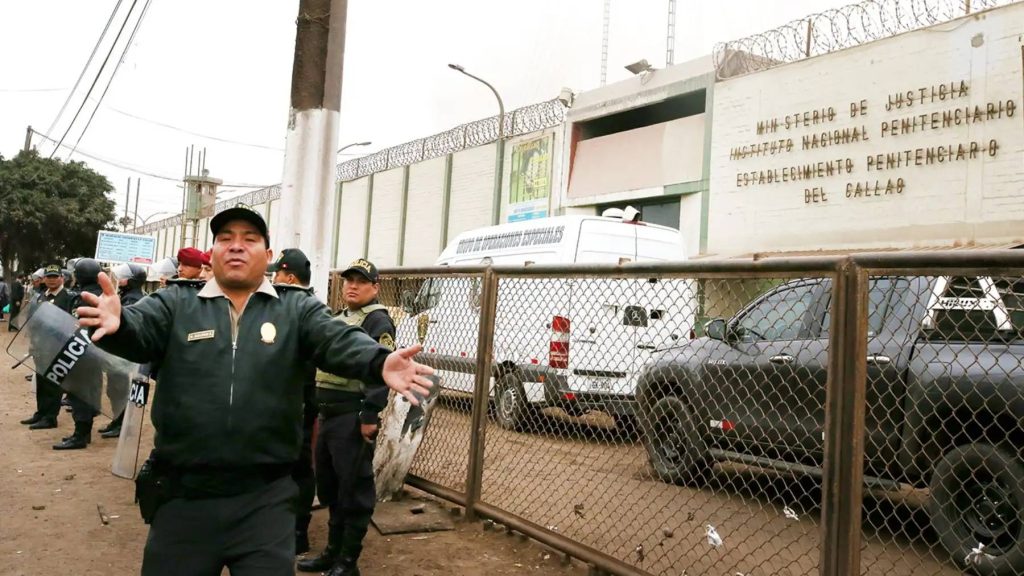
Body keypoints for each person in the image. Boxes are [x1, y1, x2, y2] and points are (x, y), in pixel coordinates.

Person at [75, 207, 433, 576]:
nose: (236, 246)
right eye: (225, 238)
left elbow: (337, 339)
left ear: (267, 255)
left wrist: (378, 361)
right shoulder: (177, 303)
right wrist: (119, 326)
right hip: (184, 498)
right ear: (212, 253)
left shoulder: (295, 308)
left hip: (266, 501)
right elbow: (140, 329)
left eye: (249, 239)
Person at [298, 258, 394, 576]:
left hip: (351, 417)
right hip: (327, 416)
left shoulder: (377, 321)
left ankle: (348, 562)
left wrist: (370, 414)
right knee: (331, 488)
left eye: (360, 281)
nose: (351, 286)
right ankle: (331, 553)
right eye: (348, 280)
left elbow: (381, 369)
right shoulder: (340, 318)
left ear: (375, 287)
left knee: (353, 490)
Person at [268, 248, 318, 555]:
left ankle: (298, 531)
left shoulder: (305, 308)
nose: (273, 279)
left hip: (299, 398)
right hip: (285, 396)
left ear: (289, 277)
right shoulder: (283, 304)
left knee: (298, 465)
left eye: (277, 274)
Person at [53, 258, 106, 450]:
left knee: (80, 395)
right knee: (88, 392)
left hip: (80, 353)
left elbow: (73, 325)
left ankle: (80, 436)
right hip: (95, 353)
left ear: (80, 275)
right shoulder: (102, 294)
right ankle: (84, 434)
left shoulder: (83, 297)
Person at [97, 262, 150, 440]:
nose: (120, 279)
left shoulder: (133, 299)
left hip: (123, 358)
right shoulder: (125, 295)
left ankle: (122, 424)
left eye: (125, 277)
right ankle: (117, 420)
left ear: (133, 281)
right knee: (115, 389)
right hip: (118, 356)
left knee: (121, 390)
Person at [20, 265, 73, 430]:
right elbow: (33, 320)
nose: (51, 279)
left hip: (56, 348)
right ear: (43, 279)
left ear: (62, 278)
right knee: (41, 383)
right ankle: (41, 412)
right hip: (40, 348)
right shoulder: (42, 296)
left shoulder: (68, 298)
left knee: (52, 385)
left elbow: (70, 324)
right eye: (48, 276)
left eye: (54, 276)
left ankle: (50, 417)